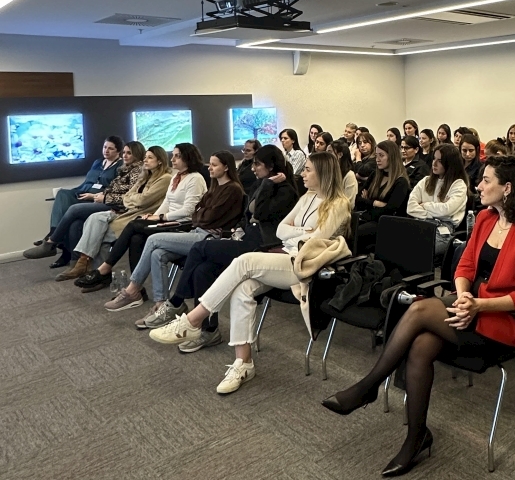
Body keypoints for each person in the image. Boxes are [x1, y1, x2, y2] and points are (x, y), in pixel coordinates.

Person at [322, 155, 515, 476]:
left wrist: (477, 305)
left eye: (486, 180)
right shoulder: (486, 218)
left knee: (418, 308)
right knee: (420, 346)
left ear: (508, 188)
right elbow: (465, 266)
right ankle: (416, 436)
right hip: (469, 306)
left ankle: (369, 386)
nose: (479, 186)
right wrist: (464, 296)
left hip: (506, 322)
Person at [149, 152, 351, 394]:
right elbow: (280, 230)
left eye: (308, 170)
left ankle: (194, 319)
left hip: (306, 265)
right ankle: (243, 362)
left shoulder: (339, 204)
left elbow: (316, 240)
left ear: (323, 173)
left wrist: (298, 233)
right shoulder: (307, 197)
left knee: (244, 262)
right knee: (243, 289)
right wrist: (302, 231)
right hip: (284, 256)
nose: (302, 174)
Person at [136, 146, 299, 346]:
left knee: (199, 248)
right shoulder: (260, 184)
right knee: (202, 270)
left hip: (262, 248)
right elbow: (246, 216)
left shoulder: (285, 191)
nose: (253, 168)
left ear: (271, 166)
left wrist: (267, 185)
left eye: (257, 164)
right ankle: (208, 330)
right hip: (246, 240)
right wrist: (240, 226)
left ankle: (176, 302)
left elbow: (261, 214)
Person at [104, 150, 245, 311]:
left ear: (226, 167)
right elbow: (198, 212)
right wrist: (201, 214)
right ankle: (161, 304)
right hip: (197, 231)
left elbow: (206, 216)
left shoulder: (232, 189)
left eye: (214, 165)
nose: (209, 168)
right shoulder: (215, 187)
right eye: (210, 164)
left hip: (210, 238)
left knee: (153, 239)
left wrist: (200, 214)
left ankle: (132, 290)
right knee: (157, 254)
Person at [76, 143, 207, 291]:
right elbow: (167, 202)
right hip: (168, 220)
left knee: (134, 224)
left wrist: (161, 217)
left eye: (177, 156)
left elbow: (188, 210)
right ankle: (137, 290)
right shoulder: (176, 177)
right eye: (173, 155)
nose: (172, 159)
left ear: (188, 158)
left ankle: (105, 268)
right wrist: (154, 216)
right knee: (136, 238)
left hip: (182, 224)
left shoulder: (195, 179)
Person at [71, 147, 172, 284]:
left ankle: (98, 272)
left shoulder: (165, 178)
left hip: (142, 215)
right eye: (145, 157)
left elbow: (143, 201)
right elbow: (127, 197)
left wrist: (132, 199)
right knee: (96, 224)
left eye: (150, 158)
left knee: (101, 235)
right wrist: (133, 199)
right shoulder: (145, 176)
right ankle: (95, 271)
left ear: (160, 161)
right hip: (129, 211)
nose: (145, 160)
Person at [48, 142, 145, 275]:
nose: (125, 156)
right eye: (124, 152)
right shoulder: (124, 169)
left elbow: (129, 197)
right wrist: (100, 195)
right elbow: (112, 189)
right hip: (107, 200)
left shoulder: (138, 171)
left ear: (137, 154)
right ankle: (75, 264)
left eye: (129, 153)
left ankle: (52, 241)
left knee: (74, 209)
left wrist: (104, 198)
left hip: (118, 208)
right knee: (76, 224)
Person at [23, 135, 125, 259]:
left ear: (118, 151)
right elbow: (88, 181)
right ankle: (53, 233)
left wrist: (93, 196)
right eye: (105, 147)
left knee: (73, 217)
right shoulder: (98, 162)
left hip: (96, 197)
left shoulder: (120, 166)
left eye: (110, 148)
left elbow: (115, 189)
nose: (106, 151)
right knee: (62, 193)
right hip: (82, 191)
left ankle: (52, 242)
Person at [407, 143, 468, 255]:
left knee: (416, 250)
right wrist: (435, 214)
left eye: (439, 161)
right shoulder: (425, 181)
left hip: (443, 229)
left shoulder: (458, 185)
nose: (434, 163)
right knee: (398, 244)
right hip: (420, 224)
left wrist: (425, 205)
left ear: (450, 164)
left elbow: (446, 210)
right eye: (434, 158)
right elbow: (410, 207)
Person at [355, 140, 411, 251]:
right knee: (343, 227)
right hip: (369, 217)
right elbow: (357, 199)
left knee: (355, 233)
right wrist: (375, 203)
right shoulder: (375, 175)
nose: (377, 159)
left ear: (392, 157)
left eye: (381, 155)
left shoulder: (401, 182)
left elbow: (389, 210)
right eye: (376, 155)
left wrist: (368, 202)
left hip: (387, 225)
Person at [330, 139, 358, 208]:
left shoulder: (349, 175)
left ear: (340, 155)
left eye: (330, 152)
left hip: (340, 211)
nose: (326, 155)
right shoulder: (329, 172)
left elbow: (349, 204)